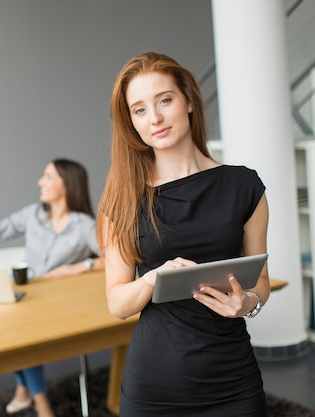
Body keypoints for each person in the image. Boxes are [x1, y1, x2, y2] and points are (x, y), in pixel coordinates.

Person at [97, 51, 270, 416]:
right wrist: (152, 280)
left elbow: (261, 282)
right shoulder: (123, 199)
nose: (155, 117)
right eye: (139, 109)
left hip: (232, 379)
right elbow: (117, 304)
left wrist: (247, 304)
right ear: (131, 122)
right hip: (155, 386)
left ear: (188, 101)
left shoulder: (244, 185)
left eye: (165, 100)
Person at [0, 158, 103, 417]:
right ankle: (34, 396)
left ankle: (34, 399)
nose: (40, 182)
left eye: (48, 176)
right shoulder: (32, 215)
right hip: (30, 301)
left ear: (67, 184)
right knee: (16, 326)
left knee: (24, 334)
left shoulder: (83, 225)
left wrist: (79, 267)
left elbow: (116, 257)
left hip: (62, 308)